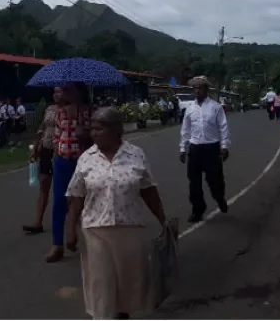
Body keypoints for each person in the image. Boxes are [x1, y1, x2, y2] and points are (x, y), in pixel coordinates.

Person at [65, 107, 170, 320]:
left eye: (99, 128)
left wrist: (163, 220)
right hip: (96, 230)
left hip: (130, 229)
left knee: (128, 285)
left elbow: (149, 191)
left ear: (116, 130)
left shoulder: (136, 155)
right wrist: (70, 229)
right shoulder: (86, 158)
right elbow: (76, 196)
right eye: (92, 129)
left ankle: (123, 315)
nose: (93, 133)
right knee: (101, 285)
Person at [47, 82, 92, 263]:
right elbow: (57, 138)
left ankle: (88, 241)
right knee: (59, 202)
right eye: (63, 90)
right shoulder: (61, 113)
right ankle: (57, 244)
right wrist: (55, 159)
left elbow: (95, 138)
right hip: (62, 161)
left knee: (85, 202)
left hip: (84, 162)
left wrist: (83, 130)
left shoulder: (90, 111)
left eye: (68, 89)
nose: (64, 93)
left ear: (78, 91)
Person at [179, 76, 230, 223]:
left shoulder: (216, 107)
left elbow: (223, 127)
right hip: (195, 149)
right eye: (194, 88)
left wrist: (224, 146)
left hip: (212, 148)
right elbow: (185, 129)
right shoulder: (190, 109)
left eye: (200, 88)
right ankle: (198, 210)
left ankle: (219, 198)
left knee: (215, 180)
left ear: (207, 90)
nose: (197, 91)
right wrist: (183, 148)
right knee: (194, 182)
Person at [23, 87, 63, 235]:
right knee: (44, 183)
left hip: (62, 151)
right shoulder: (50, 109)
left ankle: (71, 217)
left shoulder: (70, 110)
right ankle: (38, 221)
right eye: (55, 91)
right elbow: (42, 127)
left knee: (63, 188)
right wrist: (36, 146)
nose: (57, 94)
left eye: (60, 91)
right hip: (46, 149)